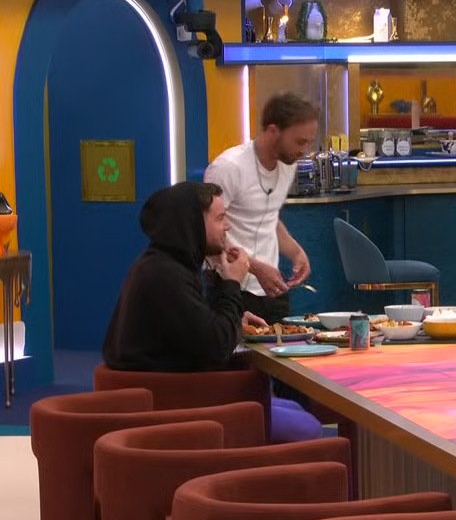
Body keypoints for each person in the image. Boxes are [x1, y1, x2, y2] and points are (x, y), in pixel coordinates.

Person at [102, 182, 321, 442]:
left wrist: (234, 317)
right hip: (171, 407)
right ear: (193, 224)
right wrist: (232, 283)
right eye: (220, 218)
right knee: (308, 426)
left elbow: (197, 330)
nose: (228, 226)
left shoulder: (162, 265)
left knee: (294, 408)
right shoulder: (166, 276)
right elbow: (218, 345)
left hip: (169, 391)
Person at [204, 91, 319, 325]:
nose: (305, 150)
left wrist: (295, 252)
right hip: (229, 287)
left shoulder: (288, 165)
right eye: (300, 142)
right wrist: (255, 268)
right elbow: (206, 232)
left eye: (309, 142)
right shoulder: (228, 167)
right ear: (273, 131)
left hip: (272, 289)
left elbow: (268, 217)